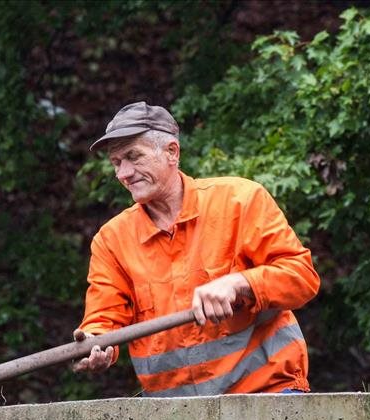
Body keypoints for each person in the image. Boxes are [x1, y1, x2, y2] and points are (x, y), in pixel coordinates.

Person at [72, 101, 320, 395]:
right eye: (116, 163)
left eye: (133, 157)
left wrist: (239, 283)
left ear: (171, 152)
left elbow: (302, 277)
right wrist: (96, 343)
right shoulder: (111, 240)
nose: (124, 173)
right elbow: (104, 320)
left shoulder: (240, 200)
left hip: (267, 396)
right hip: (176, 417)